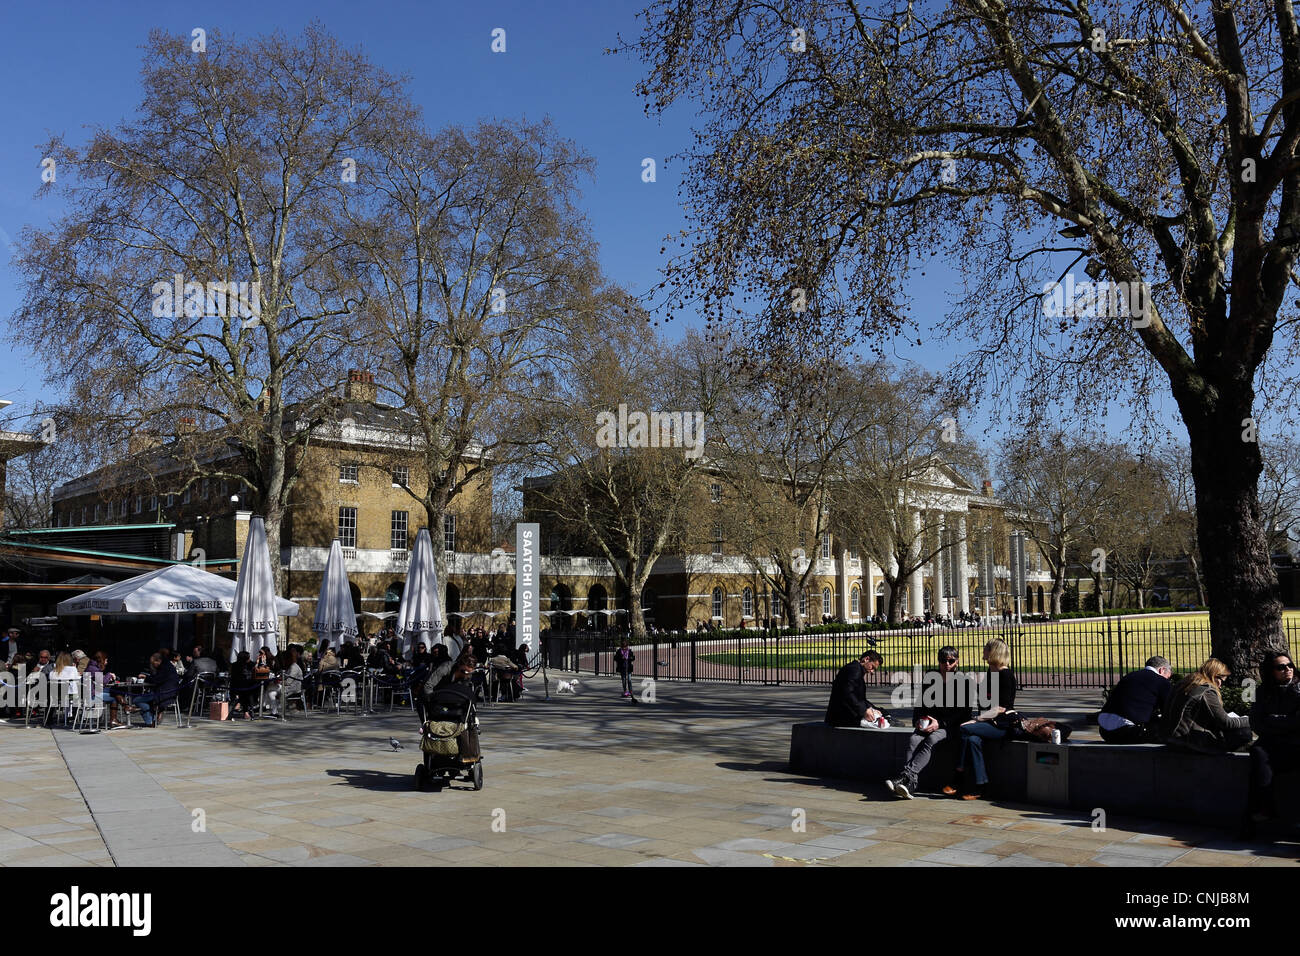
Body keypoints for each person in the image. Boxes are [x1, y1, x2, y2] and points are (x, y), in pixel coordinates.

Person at [886, 646, 973, 799]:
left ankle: (907, 779)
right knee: (913, 739)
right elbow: (921, 703)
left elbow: (964, 712)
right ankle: (910, 784)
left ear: (957, 661)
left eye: (951, 661)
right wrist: (918, 720)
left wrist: (940, 723)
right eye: (943, 661)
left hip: (950, 726)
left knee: (932, 739)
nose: (947, 664)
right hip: (929, 723)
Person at [946, 638, 1017, 800]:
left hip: (1002, 725)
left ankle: (958, 777)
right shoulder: (991, 673)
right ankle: (981, 785)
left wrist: (976, 720)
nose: (983, 651)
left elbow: (1001, 708)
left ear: (993, 652)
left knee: (964, 728)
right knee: (972, 740)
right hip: (989, 722)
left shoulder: (1005, 675)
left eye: (986, 648)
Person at [1246, 651, 1300, 824]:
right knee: (1258, 754)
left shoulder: (1298, 689)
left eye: (1290, 665)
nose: (1287, 669)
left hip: (1294, 741)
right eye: (1281, 667)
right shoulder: (1262, 691)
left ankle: (1265, 809)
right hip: (1271, 741)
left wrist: (1274, 719)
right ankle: (1266, 807)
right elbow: (1255, 722)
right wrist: (1284, 723)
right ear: (1271, 671)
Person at [1161, 658, 1252, 753]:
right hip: (1189, 740)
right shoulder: (1206, 691)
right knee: (1243, 732)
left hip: (1170, 738)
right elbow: (1226, 722)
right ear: (1214, 676)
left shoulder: (1184, 684)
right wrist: (1250, 719)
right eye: (1222, 680)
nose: (1221, 686)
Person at [1098, 656, 1174, 743]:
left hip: (1104, 730)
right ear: (1162, 670)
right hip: (1127, 730)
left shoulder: (1129, 676)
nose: (1167, 680)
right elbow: (1168, 711)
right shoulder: (1162, 682)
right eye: (1167, 677)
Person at [825, 650, 885, 727]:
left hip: (843, 716)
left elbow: (859, 698)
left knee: (882, 716)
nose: (872, 671)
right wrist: (864, 710)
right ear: (866, 659)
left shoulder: (856, 669)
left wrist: (872, 708)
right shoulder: (854, 670)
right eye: (872, 667)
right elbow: (847, 693)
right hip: (841, 718)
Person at [126, 652, 180, 727]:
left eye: (152, 663)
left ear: (158, 661)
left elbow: (156, 680)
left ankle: (149, 720)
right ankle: (150, 719)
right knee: (145, 701)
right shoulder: (168, 666)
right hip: (172, 693)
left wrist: (145, 677)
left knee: (136, 700)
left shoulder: (164, 667)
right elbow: (158, 678)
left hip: (163, 694)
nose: (152, 665)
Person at [229, 651, 257, 720]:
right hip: (246, 687)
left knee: (245, 693)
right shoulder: (249, 665)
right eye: (248, 657)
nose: (249, 659)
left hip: (236, 687)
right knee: (247, 693)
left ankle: (243, 709)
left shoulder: (235, 665)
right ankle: (246, 711)